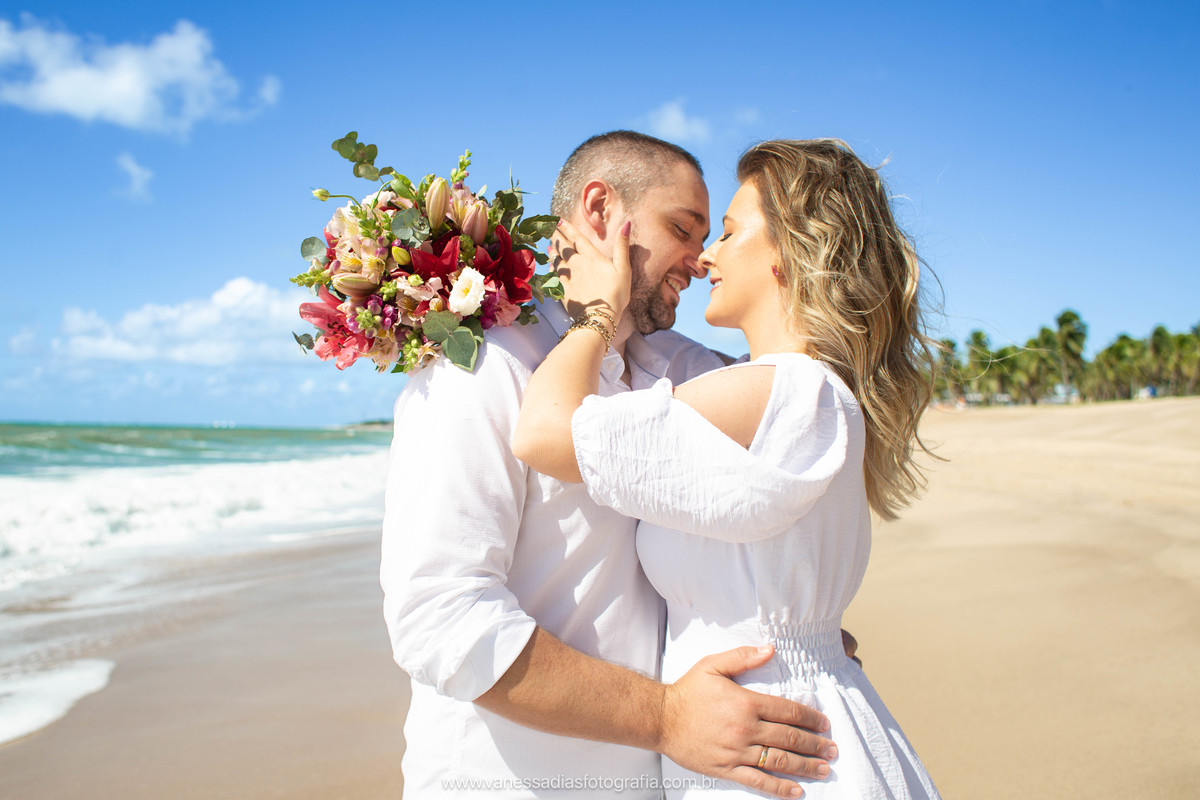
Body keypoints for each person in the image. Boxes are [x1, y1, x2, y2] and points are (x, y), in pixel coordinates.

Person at [380, 132, 851, 800]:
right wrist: (664, 717)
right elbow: (439, 617)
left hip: (666, 781)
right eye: (682, 229)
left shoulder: (681, 367)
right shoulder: (483, 362)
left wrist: (785, 622)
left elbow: (782, 452)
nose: (700, 257)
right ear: (600, 211)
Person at [513, 139, 942, 798]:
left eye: (732, 233)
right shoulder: (803, 391)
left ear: (792, 255)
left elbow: (543, 433)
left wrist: (596, 311)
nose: (707, 254)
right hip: (772, 720)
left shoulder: (777, 391)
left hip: (764, 741)